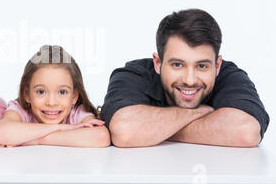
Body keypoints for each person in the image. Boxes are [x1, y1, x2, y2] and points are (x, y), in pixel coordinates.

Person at [102, 9, 269, 148]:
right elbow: (124, 131)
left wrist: (154, 129)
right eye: (177, 65)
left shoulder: (230, 76)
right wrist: (199, 113)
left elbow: (246, 131)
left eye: (202, 66)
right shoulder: (133, 74)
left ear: (217, 66)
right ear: (158, 63)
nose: (190, 80)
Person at [0, 45, 111, 148]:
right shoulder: (20, 109)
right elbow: (0, 134)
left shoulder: (76, 113)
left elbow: (101, 137)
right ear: (27, 94)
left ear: (74, 96)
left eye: (62, 92)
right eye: (41, 92)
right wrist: (61, 128)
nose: (52, 103)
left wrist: (37, 140)